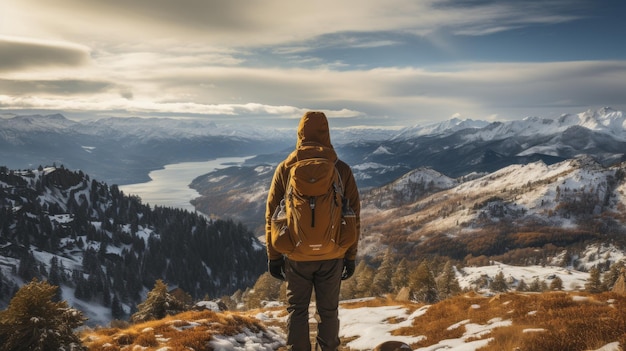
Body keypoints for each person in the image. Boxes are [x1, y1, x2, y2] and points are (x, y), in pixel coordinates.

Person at [265, 111, 361, 351]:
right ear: (327, 133)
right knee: (328, 312)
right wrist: (350, 256)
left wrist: (273, 257)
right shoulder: (341, 168)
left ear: (300, 134)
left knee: (297, 310)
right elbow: (354, 216)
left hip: (296, 254)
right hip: (333, 253)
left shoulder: (285, 168)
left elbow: (271, 215)